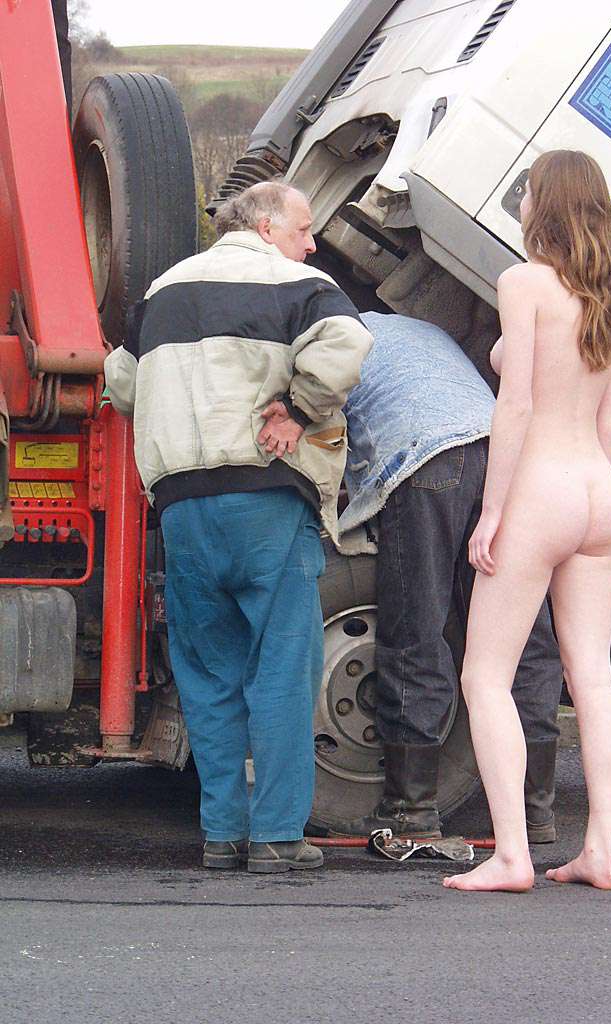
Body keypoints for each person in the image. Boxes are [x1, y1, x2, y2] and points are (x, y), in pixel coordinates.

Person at [104, 182, 372, 873]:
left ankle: (221, 835)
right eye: (304, 228)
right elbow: (349, 341)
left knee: (207, 674)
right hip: (264, 498)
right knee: (281, 669)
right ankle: (279, 835)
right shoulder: (298, 284)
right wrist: (300, 409)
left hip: (183, 508)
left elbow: (123, 385)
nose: (311, 244)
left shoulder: (161, 293)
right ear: (265, 226)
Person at [443, 150, 611, 893]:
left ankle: (513, 855)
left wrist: (493, 510)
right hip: (597, 491)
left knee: (485, 674)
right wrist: (591, 500)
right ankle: (600, 851)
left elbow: (516, 404)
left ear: (545, 204)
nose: (519, 200)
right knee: (592, 676)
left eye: (526, 190)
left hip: (541, 488)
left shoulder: (523, 283)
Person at [331, 311, 563, 842]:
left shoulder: (335, 335)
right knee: (523, 637)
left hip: (428, 458)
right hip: (501, 454)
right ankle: (535, 811)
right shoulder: (423, 329)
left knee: (417, 625)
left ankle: (411, 809)